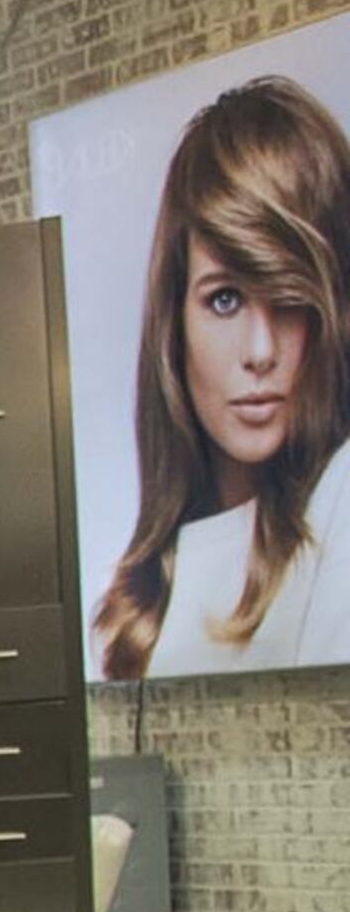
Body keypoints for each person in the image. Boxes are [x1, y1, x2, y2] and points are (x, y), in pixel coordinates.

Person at [91, 76, 350, 681]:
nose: (260, 352)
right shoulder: (132, 602)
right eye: (226, 299)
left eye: (289, 301)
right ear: (174, 321)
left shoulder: (340, 502)